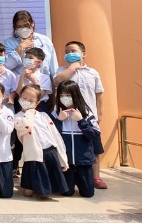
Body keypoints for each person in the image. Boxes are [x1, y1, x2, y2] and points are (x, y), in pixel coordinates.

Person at [53, 40, 107, 189]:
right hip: (68, 116)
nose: (69, 54)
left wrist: (99, 114)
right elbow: (57, 81)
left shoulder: (92, 72)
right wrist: (72, 68)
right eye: (67, 51)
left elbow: (99, 94)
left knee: (93, 147)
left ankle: (96, 177)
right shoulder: (62, 71)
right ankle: (70, 177)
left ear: (83, 54)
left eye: (73, 51)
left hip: (87, 116)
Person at [15, 84, 69, 198]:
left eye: (31, 100)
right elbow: (26, 126)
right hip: (34, 155)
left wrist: (63, 158)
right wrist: (29, 112)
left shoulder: (44, 115)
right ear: (20, 96)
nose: (27, 102)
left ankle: (44, 188)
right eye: (24, 98)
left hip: (50, 152)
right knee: (27, 193)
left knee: (45, 193)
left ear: (37, 103)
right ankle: (29, 186)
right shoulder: (18, 117)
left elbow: (56, 136)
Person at [54, 80, 99, 198]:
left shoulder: (87, 113)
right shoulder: (56, 113)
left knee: (88, 193)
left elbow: (93, 136)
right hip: (66, 162)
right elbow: (52, 136)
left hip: (83, 161)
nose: (64, 98)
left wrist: (81, 121)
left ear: (75, 95)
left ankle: (81, 182)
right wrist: (59, 120)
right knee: (67, 193)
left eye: (68, 95)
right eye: (61, 95)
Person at [3, 10, 58, 77]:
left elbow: (53, 67)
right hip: (20, 83)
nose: (23, 29)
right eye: (19, 27)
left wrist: (55, 84)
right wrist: (20, 48)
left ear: (32, 24)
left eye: (26, 25)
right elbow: (7, 65)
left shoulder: (45, 40)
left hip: (43, 83)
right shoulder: (9, 43)